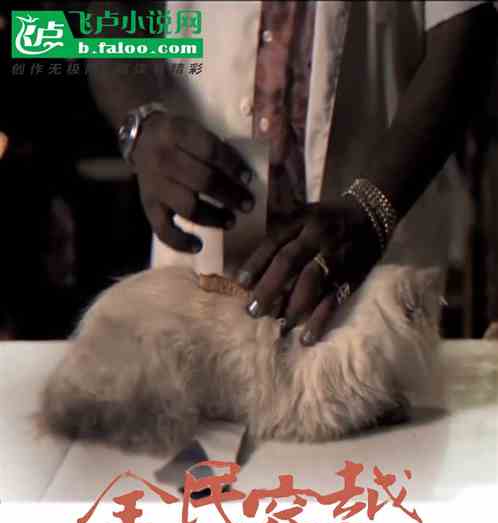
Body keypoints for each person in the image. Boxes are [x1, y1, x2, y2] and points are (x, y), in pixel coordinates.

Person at [88, 0, 497, 345]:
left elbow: (469, 26)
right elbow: (105, 13)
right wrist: (140, 126)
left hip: (371, 264)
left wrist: (373, 207)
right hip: (195, 257)